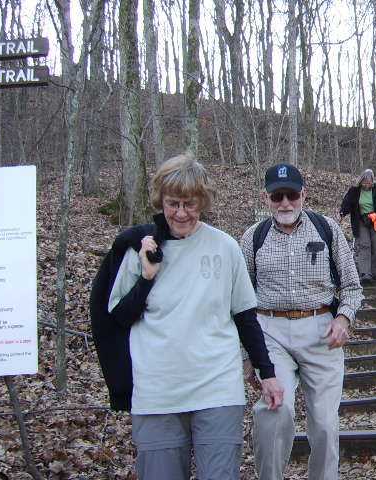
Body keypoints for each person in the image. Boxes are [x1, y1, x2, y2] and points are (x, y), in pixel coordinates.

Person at [103, 154, 283, 480]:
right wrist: (146, 277)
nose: (181, 213)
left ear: (202, 201)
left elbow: (245, 316)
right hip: (157, 392)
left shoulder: (225, 247)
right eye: (173, 204)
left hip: (217, 388)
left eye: (190, 204)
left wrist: (266, 373)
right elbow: (119, 318)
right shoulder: (141, 249)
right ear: (161, 201)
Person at [240, 163, 363, 480]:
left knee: (324, 422)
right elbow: (238, 303)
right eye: (277, 196)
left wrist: (343, 318)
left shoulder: (327, 229)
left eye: (291, 195)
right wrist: (247, 356)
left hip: (321, 331)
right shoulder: (253, 238)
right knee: (274, 411)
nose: (285, 203)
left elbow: (351, 286)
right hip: (269, 333)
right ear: (267, 198)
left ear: (303, 195)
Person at [339, 169, 376, 284]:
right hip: (361, 220)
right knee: (364, 245)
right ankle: (365, 273)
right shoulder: (354, 190)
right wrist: (343, 212)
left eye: (369, 182)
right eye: (364, 182)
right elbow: (347, 202)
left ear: (372, 181)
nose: (367, 185)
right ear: (361, 181)